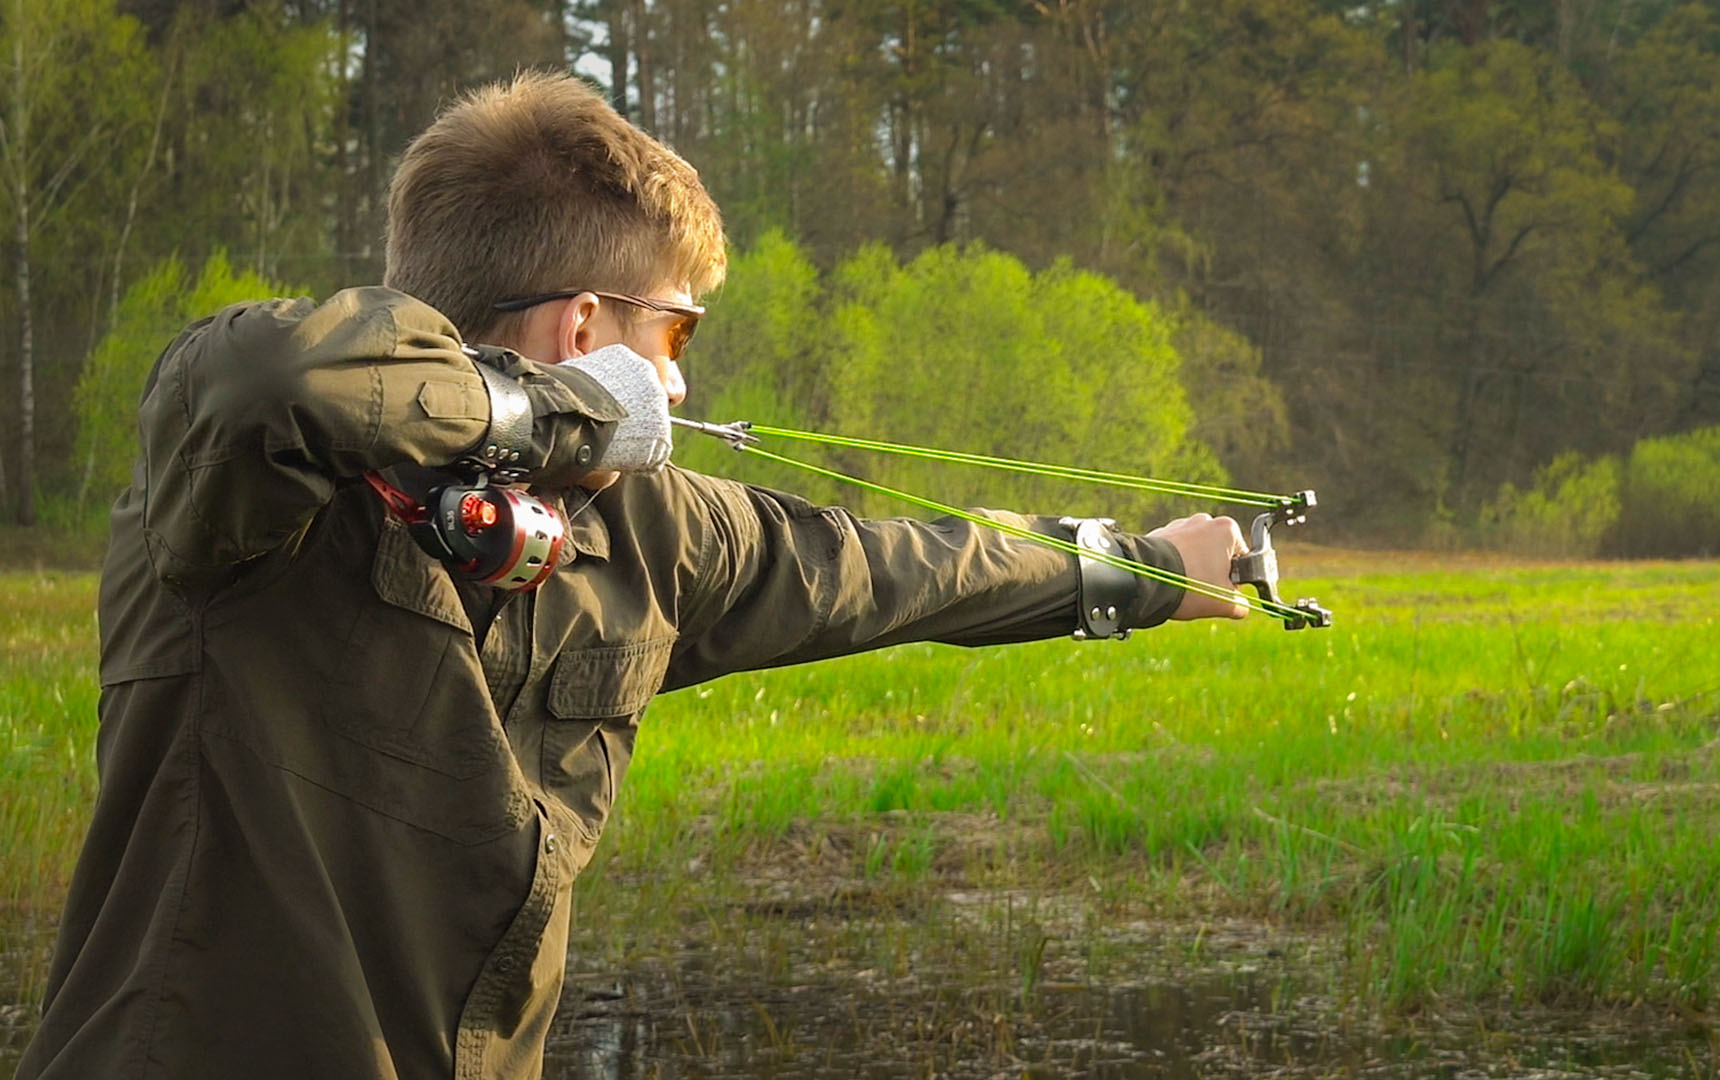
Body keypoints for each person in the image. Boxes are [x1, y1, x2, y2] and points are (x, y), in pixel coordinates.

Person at [17, 71, 1249, 1080]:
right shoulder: (238, 488)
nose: (680, 386)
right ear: (582, 330)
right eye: (675, 333)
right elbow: (267, 385)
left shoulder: (655, 533)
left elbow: (895, 565)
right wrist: (554, 412)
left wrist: (1142, 572)